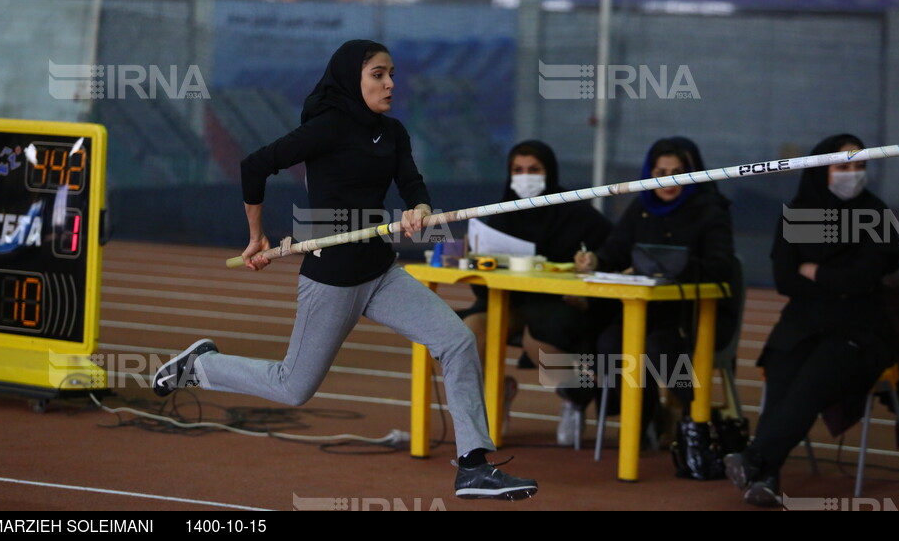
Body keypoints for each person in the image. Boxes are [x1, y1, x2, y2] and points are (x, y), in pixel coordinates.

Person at [151, 39, 537, 501]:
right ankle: (201, 365)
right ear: (353, 79)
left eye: (392, 73)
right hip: (332, 278)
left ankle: (473, 465)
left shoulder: (393, 133)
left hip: (380, 271)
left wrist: (418, 207)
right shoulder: (328, 128)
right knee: (292, 388)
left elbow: (412, 182)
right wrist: (256, 236)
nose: (390, 83)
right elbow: (255, 166)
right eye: (378, 74)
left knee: (456, 340)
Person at [723, 133, 899, 507]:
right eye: (843, 166)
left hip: (859, 330)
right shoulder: (799, 213)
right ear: (821, 170)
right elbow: (785, 280)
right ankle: (767, 477)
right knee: (783, 374)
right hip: (802, 323)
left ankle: (756, 461)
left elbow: (863, 279)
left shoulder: (876, 214)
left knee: (809, 383)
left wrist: (814, 272)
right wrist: (833, 280)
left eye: (860, 166)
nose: (853, 174)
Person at [575, 137, 736, 445]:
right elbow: (616, 251)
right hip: (643, 311)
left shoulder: (711, 211)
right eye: (660, 171)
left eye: (677, 171)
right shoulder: (642, 207)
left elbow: (721, 267)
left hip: (691, 317)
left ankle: (693, 413)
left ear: (692, 173)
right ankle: (645, 415)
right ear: (649, 173)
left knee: (657, 346)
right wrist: (596, 259)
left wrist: (666, 267)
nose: (668, 180)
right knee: (609, 342)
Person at [458, 140, 614, 444]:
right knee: (469, 331)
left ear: (549, 172)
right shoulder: (502, 213)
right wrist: (476, 259)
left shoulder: (576, 213)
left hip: (561, 306)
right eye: (517, 170)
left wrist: (591, 266)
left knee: (537, 339)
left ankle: (576, 395)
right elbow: (482, 288)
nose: (524, 177)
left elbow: (614, 251)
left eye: (533, 170)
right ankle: (496, 392)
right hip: (512, 303)